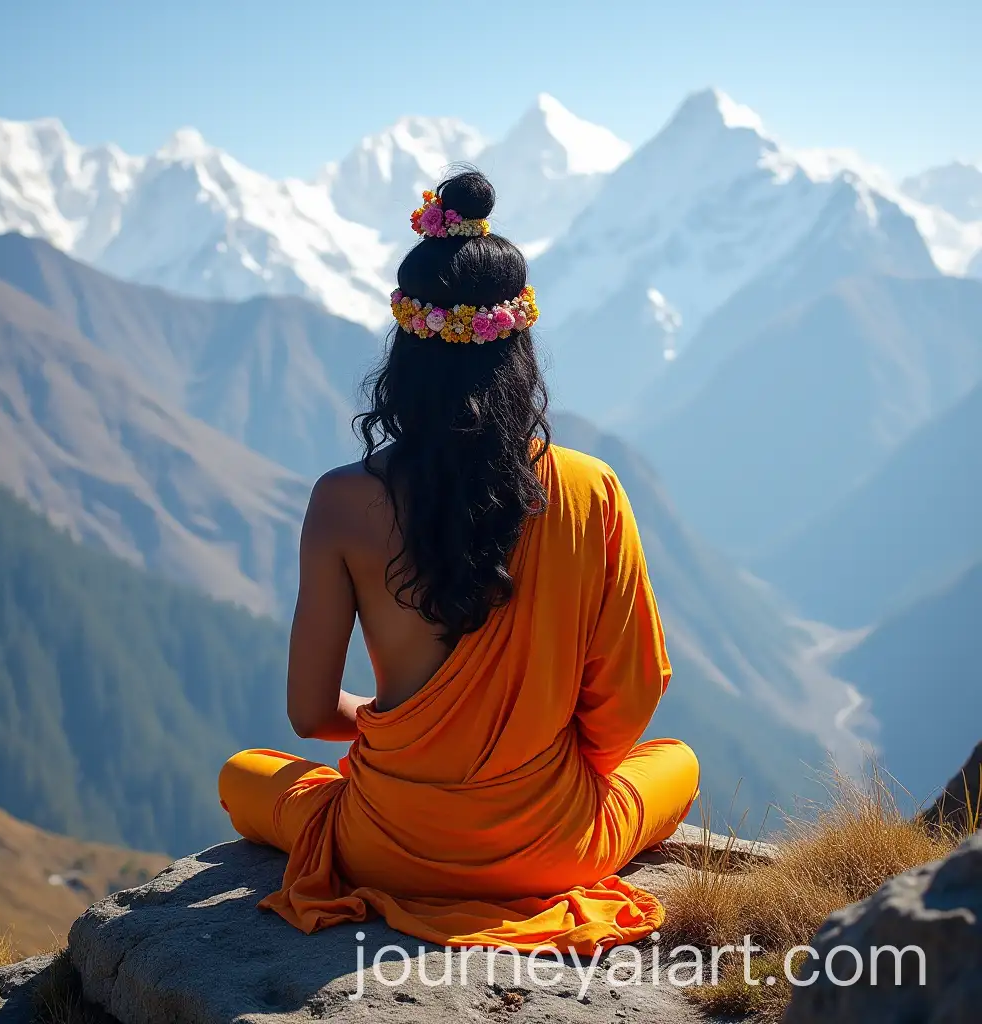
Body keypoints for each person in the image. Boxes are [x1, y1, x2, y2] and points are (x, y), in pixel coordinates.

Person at [218, 170, 699, 953]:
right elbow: (630, 699)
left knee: (243, 774)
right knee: (676, 762)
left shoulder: (341, 501)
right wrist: (533, 775)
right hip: (552, 846)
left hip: (382, 843)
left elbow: (309, 715)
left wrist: (401, 736)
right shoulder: (592, 489)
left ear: (405, 348)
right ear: (518, 346)